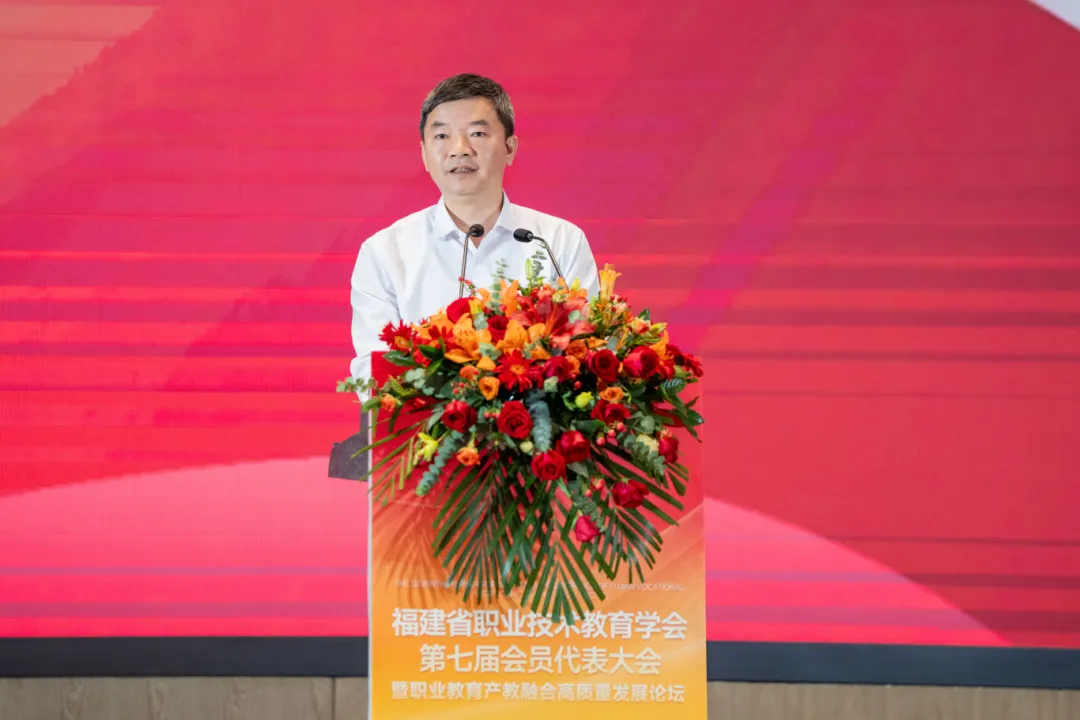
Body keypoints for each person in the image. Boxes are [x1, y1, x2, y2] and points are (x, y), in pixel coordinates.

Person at [348, 73, 602, 386]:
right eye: (442, 136)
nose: (460, 149)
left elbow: (588, 351)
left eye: (477, 133)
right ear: (424, 154)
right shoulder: (385, 253)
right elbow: (374, 371)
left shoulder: (558, 242)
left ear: (510, 147)